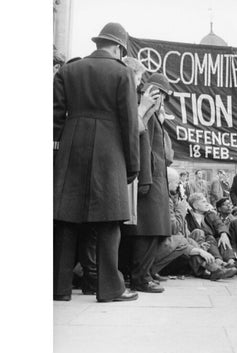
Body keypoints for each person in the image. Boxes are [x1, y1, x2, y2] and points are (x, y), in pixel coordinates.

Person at [53, 22, 139, 302]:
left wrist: (57, 152)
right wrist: (132, 164)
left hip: (71, 148)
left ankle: (59, 287)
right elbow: (128, 123)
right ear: (118, 48)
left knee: (66, 219)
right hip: (109, 151)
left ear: (99, 42)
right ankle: (110, 289)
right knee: (109, 222)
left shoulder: (68, 70)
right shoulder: (122, 73)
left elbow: (54, 118)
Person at [124, 73, 174, 293]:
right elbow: (142, 147)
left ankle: (144, 274)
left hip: (155, 178)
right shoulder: (145, 114)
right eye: (161, 94)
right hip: (150, 179)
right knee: (148, 230)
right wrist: (144, 178)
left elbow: (164, 153)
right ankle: (140, 278)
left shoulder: (153, 116)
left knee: (153, 230)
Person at [186, 193, 235, 263]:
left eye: (206, 201)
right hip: (199, 243)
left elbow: (220, 224)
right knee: (210, 238)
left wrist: (223, 234)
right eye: (203, 202)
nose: (207, 204)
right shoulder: (188, 217)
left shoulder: (211, 214)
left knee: (222, 239)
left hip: (214, 241)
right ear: (195, 206)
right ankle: (218, 261)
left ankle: (231, 261)